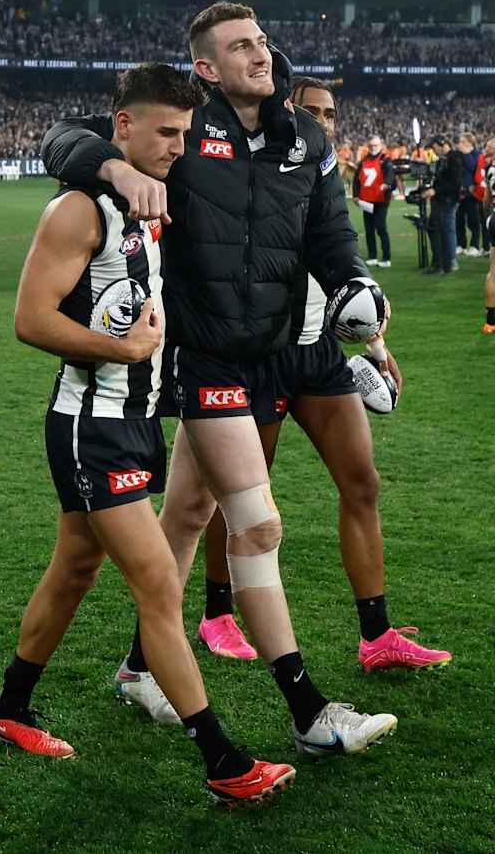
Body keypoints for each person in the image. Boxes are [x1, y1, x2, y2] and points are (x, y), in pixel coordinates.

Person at [41, 3, 399, 759]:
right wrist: (112, 167)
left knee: (187, 515)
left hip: (269, 353)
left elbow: (332, 241)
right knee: (257, 522)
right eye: (241, 46)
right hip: (201, 356)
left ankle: (140, 668)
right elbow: (66, 136)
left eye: (263, 40)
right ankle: (309, 715)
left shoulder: (306, 138)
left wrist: (362, 308)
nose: (260, 53)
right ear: (207, 67)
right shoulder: (184, 126)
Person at [0, 63, 296, 807]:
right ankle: (225, 762)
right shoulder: (78, 210)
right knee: (159, 585)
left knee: (74, 572)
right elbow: (31, 320)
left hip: (132, 425)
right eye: (164, 132)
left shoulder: (152, 202)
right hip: (91, 428)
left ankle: (9, 709)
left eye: (185, 134)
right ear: (121, 128)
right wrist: (124, 352)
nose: (176, 148)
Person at [198, 76, 452, 673]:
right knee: (239, 498)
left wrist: (376, 343)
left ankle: (377, 635)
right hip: (261, 353)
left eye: (331, 113)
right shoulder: (255, 168)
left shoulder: (322, 174)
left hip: (320, 354)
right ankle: (216, 615)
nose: (324, 120)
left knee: (361, 483)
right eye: (312, 110)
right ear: (285, 109)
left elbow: (341, 267)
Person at [421, 135, 463, 276]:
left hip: (448, 201)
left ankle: (449, 261)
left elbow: (455, 183)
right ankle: (443, 262)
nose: (434, 151)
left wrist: (436, 190)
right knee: (442, 230)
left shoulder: (454, 159)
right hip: (441, 201)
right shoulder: (443, 160)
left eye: (434, 147)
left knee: (446, 231)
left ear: (440, 144)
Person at [352, 135, 394, 269]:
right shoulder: (364, 161)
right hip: (367, 200)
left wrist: (386, 184)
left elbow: (390, 174)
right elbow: (356, 179)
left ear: (380, 146)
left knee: (381, 228)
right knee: (369, 230)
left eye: (375, 145)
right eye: (370, 146)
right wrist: (356, 195)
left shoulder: (385, 160)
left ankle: (386, 257)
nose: (373, 148)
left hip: (381, 200)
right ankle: (372, 256)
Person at [456, 132, 481, 257]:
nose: (460, 144)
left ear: (470, 143)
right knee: (459, 220)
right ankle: (461, 244)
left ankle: (474, 245)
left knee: (473, 221)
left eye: (463, 141)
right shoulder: (458, 156)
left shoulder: (477, 155)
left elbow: (472, 167)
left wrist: (466, 154)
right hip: (459, 192)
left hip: (472, 194)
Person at [482, 137, 495, 334]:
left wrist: (488, 218)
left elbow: (486, 200)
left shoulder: (490, 169)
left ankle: (491, 322)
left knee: (494, 271)